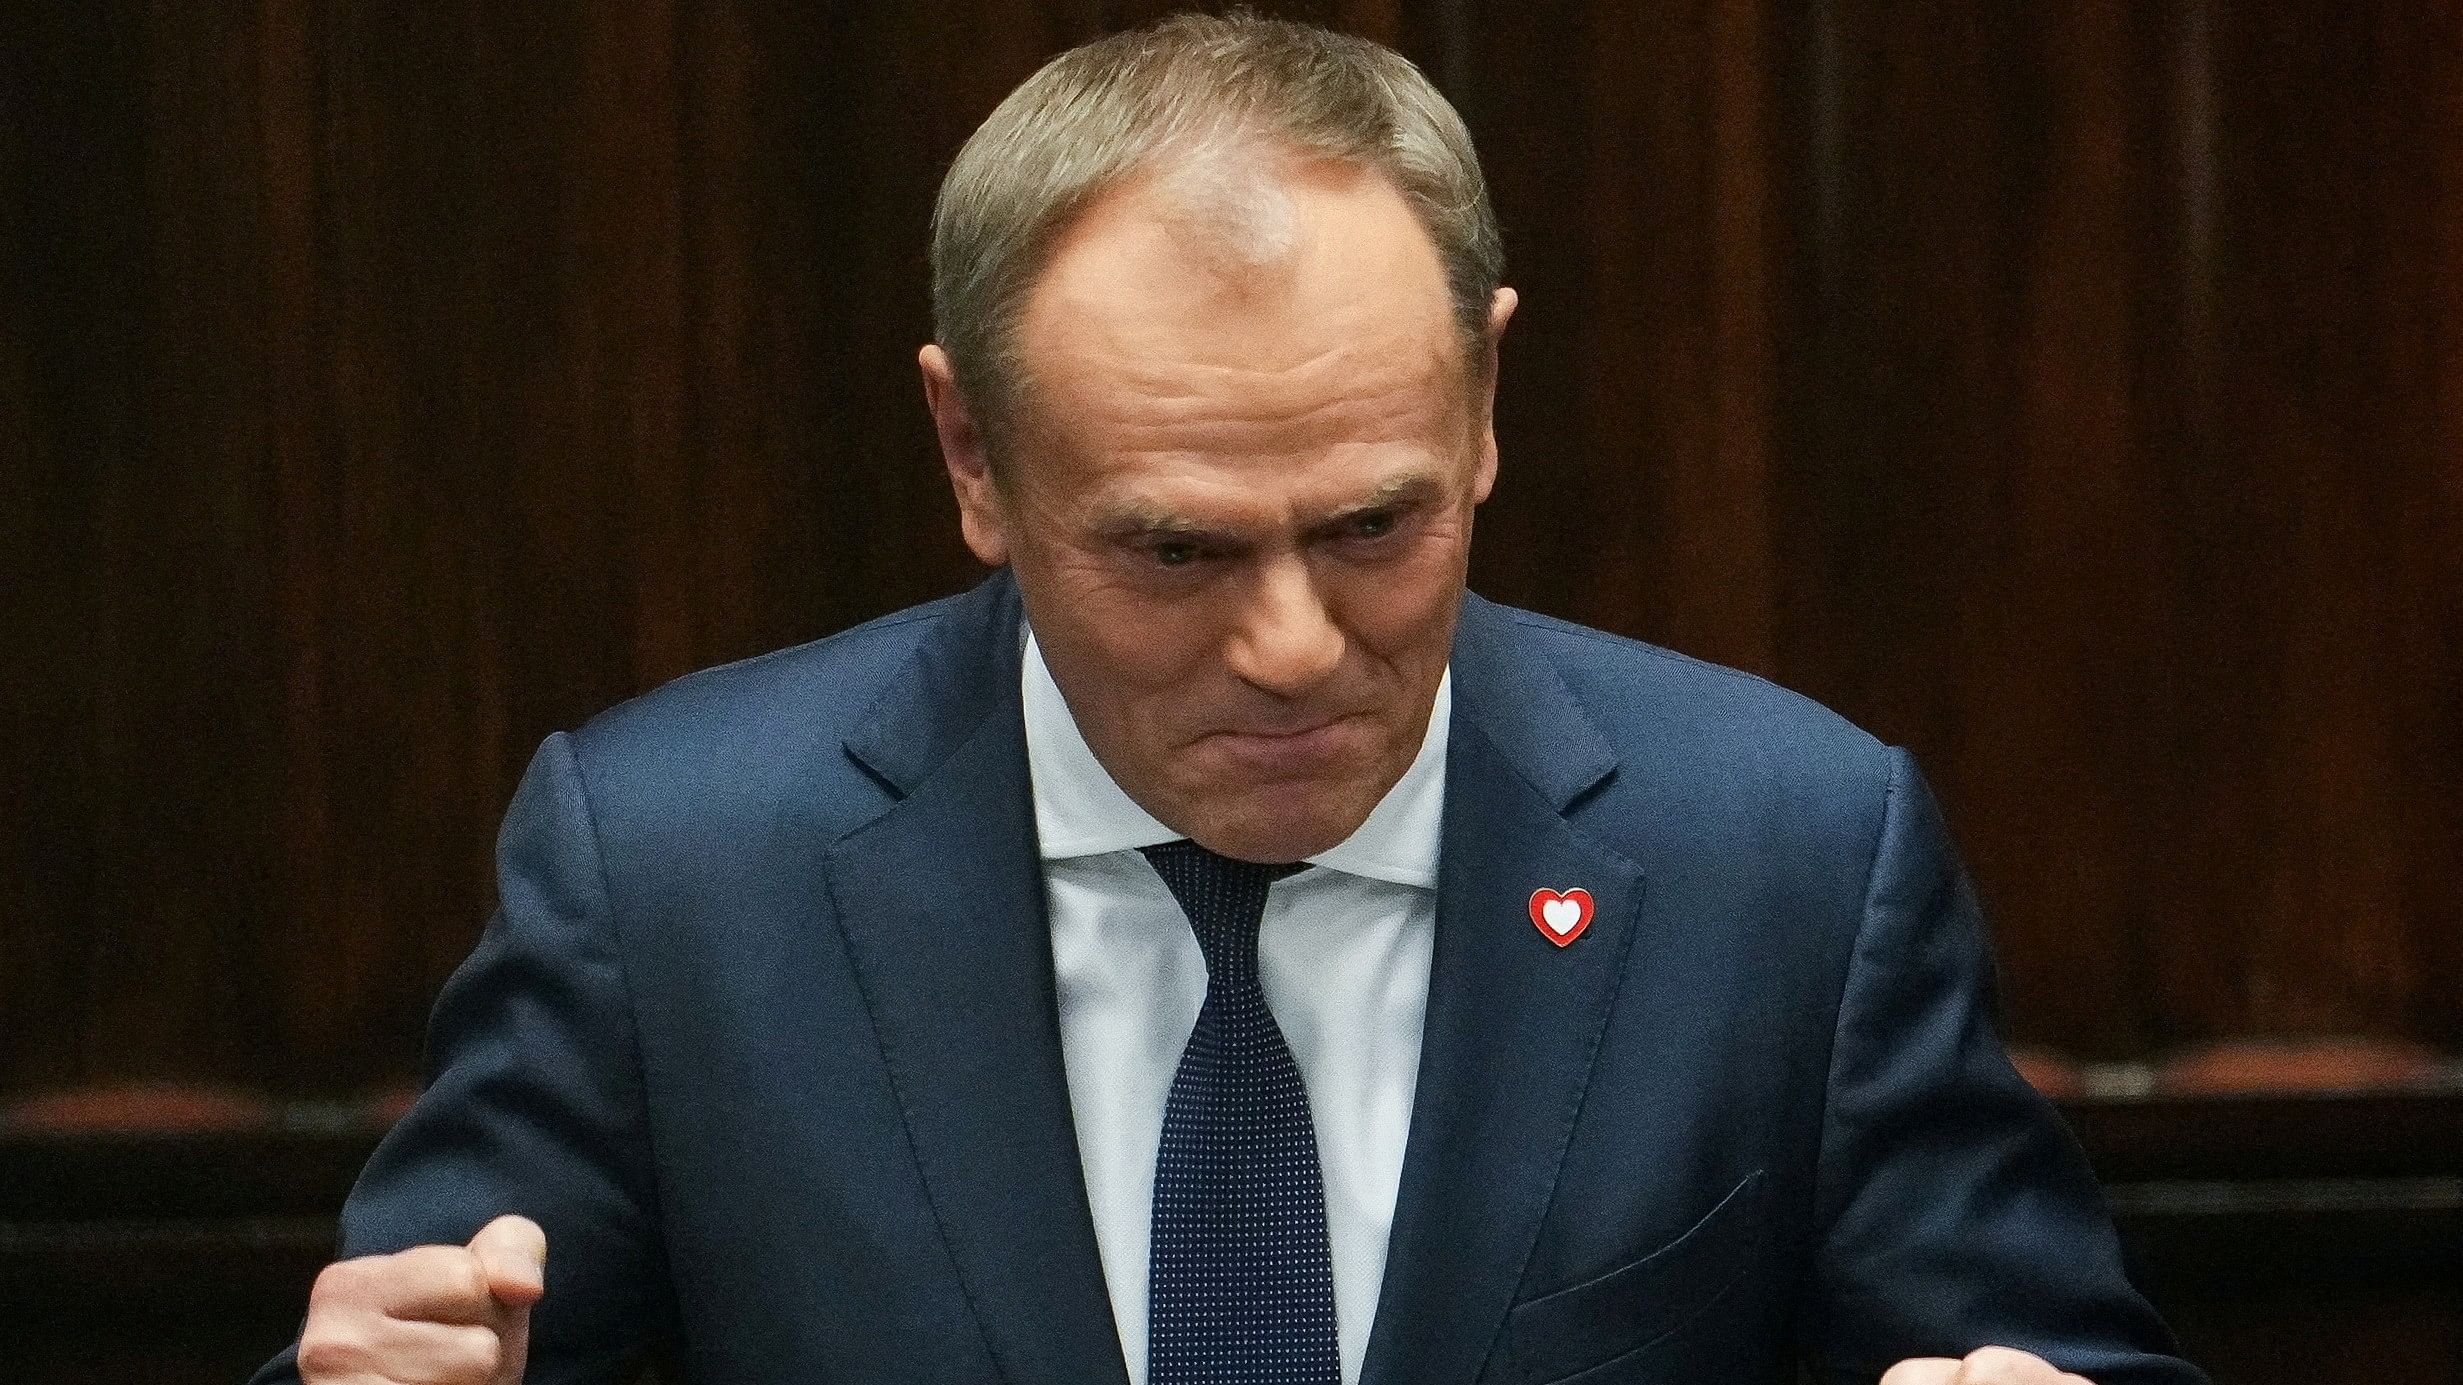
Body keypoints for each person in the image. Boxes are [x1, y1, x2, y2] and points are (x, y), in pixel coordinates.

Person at [256, 14, 2204, 1385]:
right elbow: (422, 1341)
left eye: (1373, 524)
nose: (1288, 645)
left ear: (1484, 400)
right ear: (968, 453)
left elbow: (2041, 1354)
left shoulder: (1781, 852)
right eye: (1174, 551)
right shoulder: (671, 871)